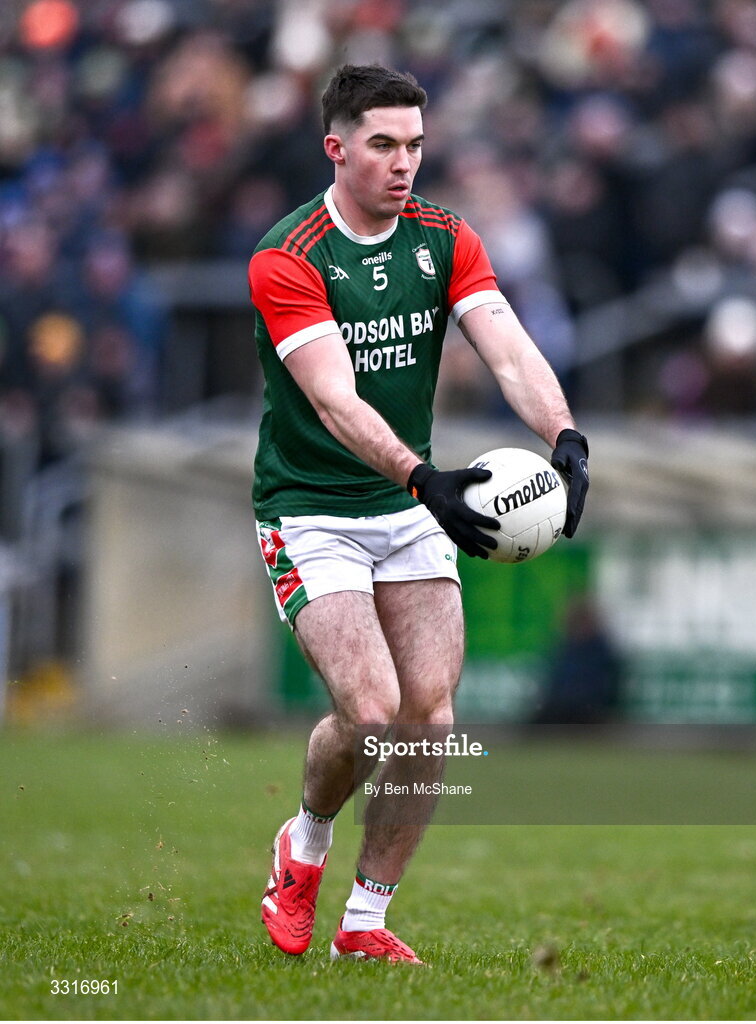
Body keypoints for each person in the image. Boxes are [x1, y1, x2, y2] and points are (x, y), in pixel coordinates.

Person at [248, 64, 589, 965]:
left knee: (430, 716)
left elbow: (509, 349)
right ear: (337, 148)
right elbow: (333, 400)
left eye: (415, 145)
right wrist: (423, 477)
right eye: (383, 145)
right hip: (310, 508)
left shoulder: (444, 238)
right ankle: (305, 844)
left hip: (404, 503)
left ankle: (364, 919)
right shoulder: (289, 255)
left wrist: (564, 436)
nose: (404, 164)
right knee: (368, 711)